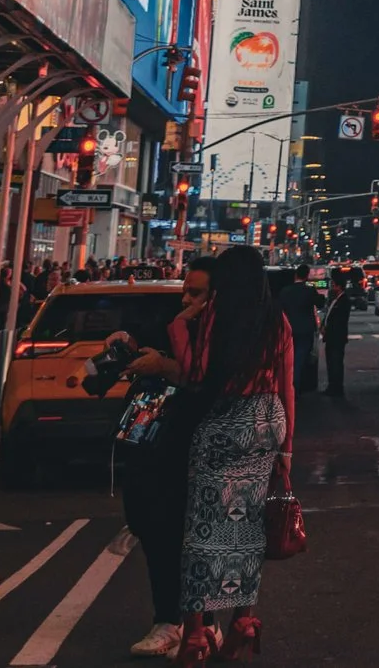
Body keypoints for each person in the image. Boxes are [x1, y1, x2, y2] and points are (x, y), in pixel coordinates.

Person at [128, 244, 294, 665]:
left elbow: (194, 372)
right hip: (267, 422)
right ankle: (244, 619)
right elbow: (289, 385)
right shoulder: (278, 320)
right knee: (246, 528)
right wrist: (287, 447)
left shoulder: (219, 318)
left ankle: (197, 630)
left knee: (204, 529)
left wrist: (180, 327)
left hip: (225, 423)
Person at [118, 260, 214, 658]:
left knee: (195, 540)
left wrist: (165, 365)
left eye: (197, 293)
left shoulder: (219, 332)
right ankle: (169, 620)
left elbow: (204, 376)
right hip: (153, 442)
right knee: (156, 533)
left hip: (194, 447)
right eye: (185, 291)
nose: (187, 299)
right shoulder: (173, 320)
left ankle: (201, 624)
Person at [274, 271, 321, 396]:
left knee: (287, 358)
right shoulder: (309, 291)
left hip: (287, 329)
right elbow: (320, 302)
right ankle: (294, 386)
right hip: (305, 329)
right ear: (306, 276)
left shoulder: (285, 291)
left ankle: (286, 385)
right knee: (300, 358)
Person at [321, 272, 360, 399]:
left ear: (339, 287)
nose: (331, 287)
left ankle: (336, 387)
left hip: (336, 337)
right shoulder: (335, 300)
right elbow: (328, 315)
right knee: (331, 363)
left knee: (336, 363)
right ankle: (332, 386)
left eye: (333, 285)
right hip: (331, 337)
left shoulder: (344, 301)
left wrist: (328, 329)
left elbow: (339, 320)